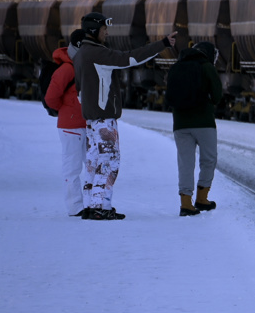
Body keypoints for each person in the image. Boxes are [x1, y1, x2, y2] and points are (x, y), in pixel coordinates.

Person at [73, 12, 178, 221]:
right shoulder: (97, 53)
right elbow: (129, 58)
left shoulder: (80, 54)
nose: (107, 33)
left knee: (94, 162)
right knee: (109, 162)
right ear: (94, 31)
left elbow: (78, 90)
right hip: (104, 119)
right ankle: (99, 207)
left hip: (92, 120)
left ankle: (91, 204)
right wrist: (162, 44)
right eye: (104, 29)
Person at [170, 41, 223, 217]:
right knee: (208, 160)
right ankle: (202, 198)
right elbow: (217, 95)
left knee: (186, 163)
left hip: (180, 124)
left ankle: (185, 203)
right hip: (204, 123)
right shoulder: (207, 67)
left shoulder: (176, 67)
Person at [43, 29, 88, 217]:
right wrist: (67, 109)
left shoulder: (79, 66)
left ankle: (91, 204)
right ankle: (75, 207)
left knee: (90, 165)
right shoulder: (67, 69)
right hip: (71, 127)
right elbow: (50, 98)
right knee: (73, 167)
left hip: (84, 124)